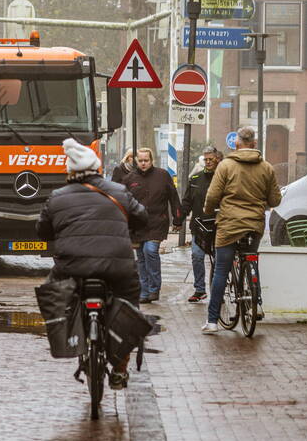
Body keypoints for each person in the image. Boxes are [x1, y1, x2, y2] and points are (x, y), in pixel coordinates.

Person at [36, 139, 148, 388]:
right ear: (97, 168)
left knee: (55, 293)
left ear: (70, 171)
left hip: (72, 267)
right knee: (130, 301)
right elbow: (142, 217)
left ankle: (68, 335)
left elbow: (42, 231)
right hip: (117, 267)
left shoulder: (57, 197)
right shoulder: (118, 191)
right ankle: (120, 367)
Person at [201, 127, 282, 333]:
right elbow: (275, 200)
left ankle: (212, 321)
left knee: (221, 270)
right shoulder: (267, 168)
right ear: (254, 144)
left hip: (229, 225)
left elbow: (212, 196)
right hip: (254, 225)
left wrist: (208, 210)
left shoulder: (226, 166)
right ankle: (257, 305)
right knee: (251, 260)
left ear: (236, 144)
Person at [124, 148, 181, 303]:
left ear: (151, 160)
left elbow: (173, 197)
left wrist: (178, 218)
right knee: (141, 257)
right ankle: (144, 291)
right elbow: (124, 202)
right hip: (137, 225)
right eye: (140, 161)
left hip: (157, 221)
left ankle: (154, 288)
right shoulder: (130, 179)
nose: (143, 163)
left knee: (150, 251)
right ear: (136, 161)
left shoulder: (162, 175)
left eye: (146, 160)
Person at [180, 146, 222, 302]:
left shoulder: (223, 178)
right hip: (199, 225)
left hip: (219, 225)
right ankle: (199, 289)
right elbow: (187, 201)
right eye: (206, 159)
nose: (208, 162)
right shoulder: (196, 179)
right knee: (197, 256)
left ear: (218, 159)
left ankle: (217, 291)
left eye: (211, 159)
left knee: (218, 260)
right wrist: (179, 218)